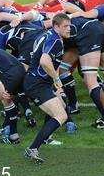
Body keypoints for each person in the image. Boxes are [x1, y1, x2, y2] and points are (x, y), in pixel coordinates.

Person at [23, 13, 72, 163]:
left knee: (61, 104)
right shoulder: (55, 40)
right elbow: (45, 61)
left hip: (41, 81)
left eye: (69, 25)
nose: (69, 29)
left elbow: (39, 55)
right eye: (65, 26)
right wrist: (56, 79)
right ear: (56, 26)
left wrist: (55, 85)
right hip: (36, 84)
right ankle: (33, 148)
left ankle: (46, 138)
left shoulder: (47, 35)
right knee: (61, 116)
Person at [63, 17, 104, 128]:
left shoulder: (48, 25)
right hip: (101, 28)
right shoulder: (65, 17)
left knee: (90, 81)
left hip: (88, 34)